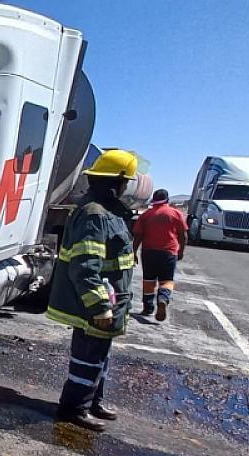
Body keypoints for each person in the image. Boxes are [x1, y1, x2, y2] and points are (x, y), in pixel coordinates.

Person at [46, 149, 138, 432]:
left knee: (99, 356)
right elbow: (84, 266)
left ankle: (92, 401)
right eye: (124, 183)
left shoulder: (108, 212)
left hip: (111, 300)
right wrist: (99, 306)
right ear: (116, 183)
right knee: (86, 357)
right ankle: (74, 408)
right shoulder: (95, 215)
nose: (125, 188)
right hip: (97, 305)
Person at [132, 189, 187, 321]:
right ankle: (163, 298)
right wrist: (181, 251)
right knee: (167, 280)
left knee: (149, 280)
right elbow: (183, 235)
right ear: (167, 200)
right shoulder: (176, 213)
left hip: (149, 252)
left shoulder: (146, 215)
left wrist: (133, 252)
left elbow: (138, 235)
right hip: (169, 252)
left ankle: (148, 307)